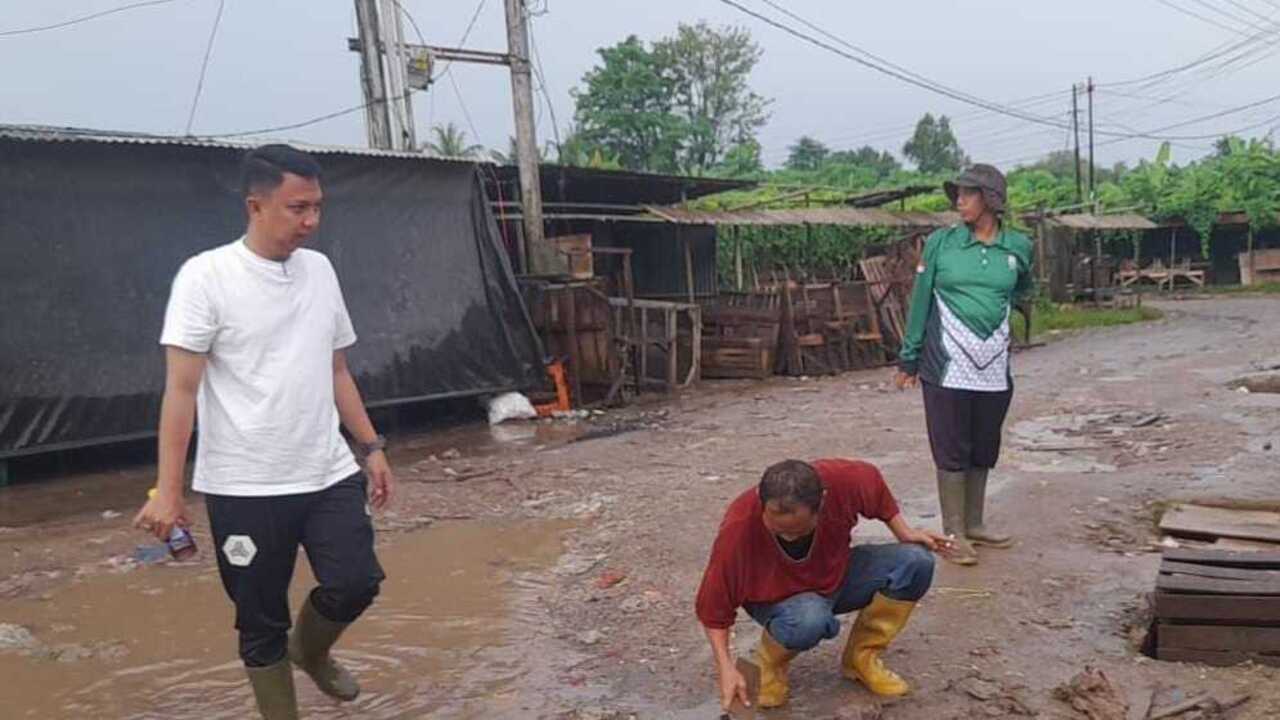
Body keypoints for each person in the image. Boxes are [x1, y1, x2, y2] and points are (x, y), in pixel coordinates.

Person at [133, 144, 395, 720]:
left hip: (326, 471)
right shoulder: (206, 278)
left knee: (356, 581)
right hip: (244, 487)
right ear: (256, 205)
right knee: (259, 622)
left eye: (317, 207)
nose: (311, 221)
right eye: (297, 208)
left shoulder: (320, 271)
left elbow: (336, 370)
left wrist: (371, 446)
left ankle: (311, 649)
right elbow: (180, 392)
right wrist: (169, 491)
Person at [695, 459, 948, 711]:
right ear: (761, 500)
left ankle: (861, 659)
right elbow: (713, 609)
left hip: (834, 575)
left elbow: (870, 482)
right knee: (810, 619)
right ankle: (767, 667)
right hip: (777, 599)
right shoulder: (739, 526)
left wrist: (903, 532)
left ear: (822, 502)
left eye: (798, 531)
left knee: (916, 561)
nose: (789, 536)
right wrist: (726, 668)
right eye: (778, 530)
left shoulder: (842, 481)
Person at [894, 164, 1035, 566]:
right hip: (946, 364)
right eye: (957, 193)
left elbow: (1025, 290)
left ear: (990, 200)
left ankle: (974, 523)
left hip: (992, 366)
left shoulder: (1018, 248)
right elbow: (920, 300)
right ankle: (954, 532)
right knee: (951, 444)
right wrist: (910, 355)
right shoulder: (942, 243)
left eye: (968, 193)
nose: (960, 201)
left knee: (984, 442)